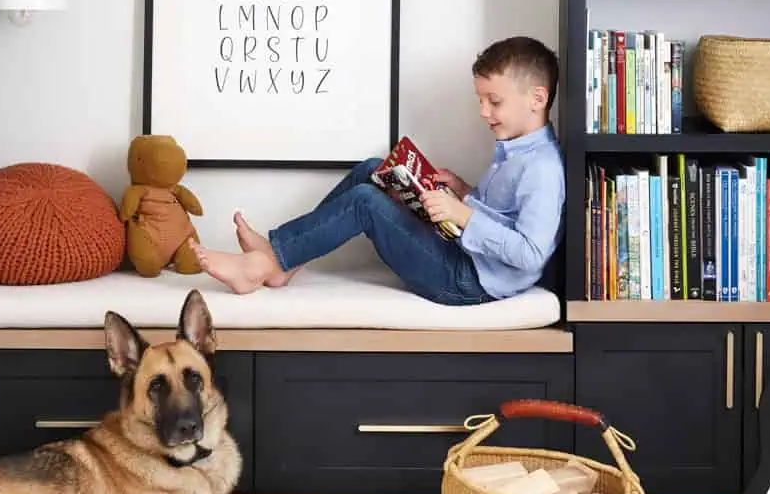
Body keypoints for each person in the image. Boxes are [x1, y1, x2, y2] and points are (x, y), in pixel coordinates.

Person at [191, 36, 565, 306]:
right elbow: (501, 215)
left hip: (469, 281)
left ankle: (262, 266)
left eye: (494, 101)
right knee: (375, 169)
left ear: (537, 99)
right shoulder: (514, 150)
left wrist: (462, 214)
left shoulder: (543, 169)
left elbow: (531, 253)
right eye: (480, 100)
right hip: (464, 253)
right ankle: (281, 258)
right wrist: (463, 191)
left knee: (365, 203)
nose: (483, 112)